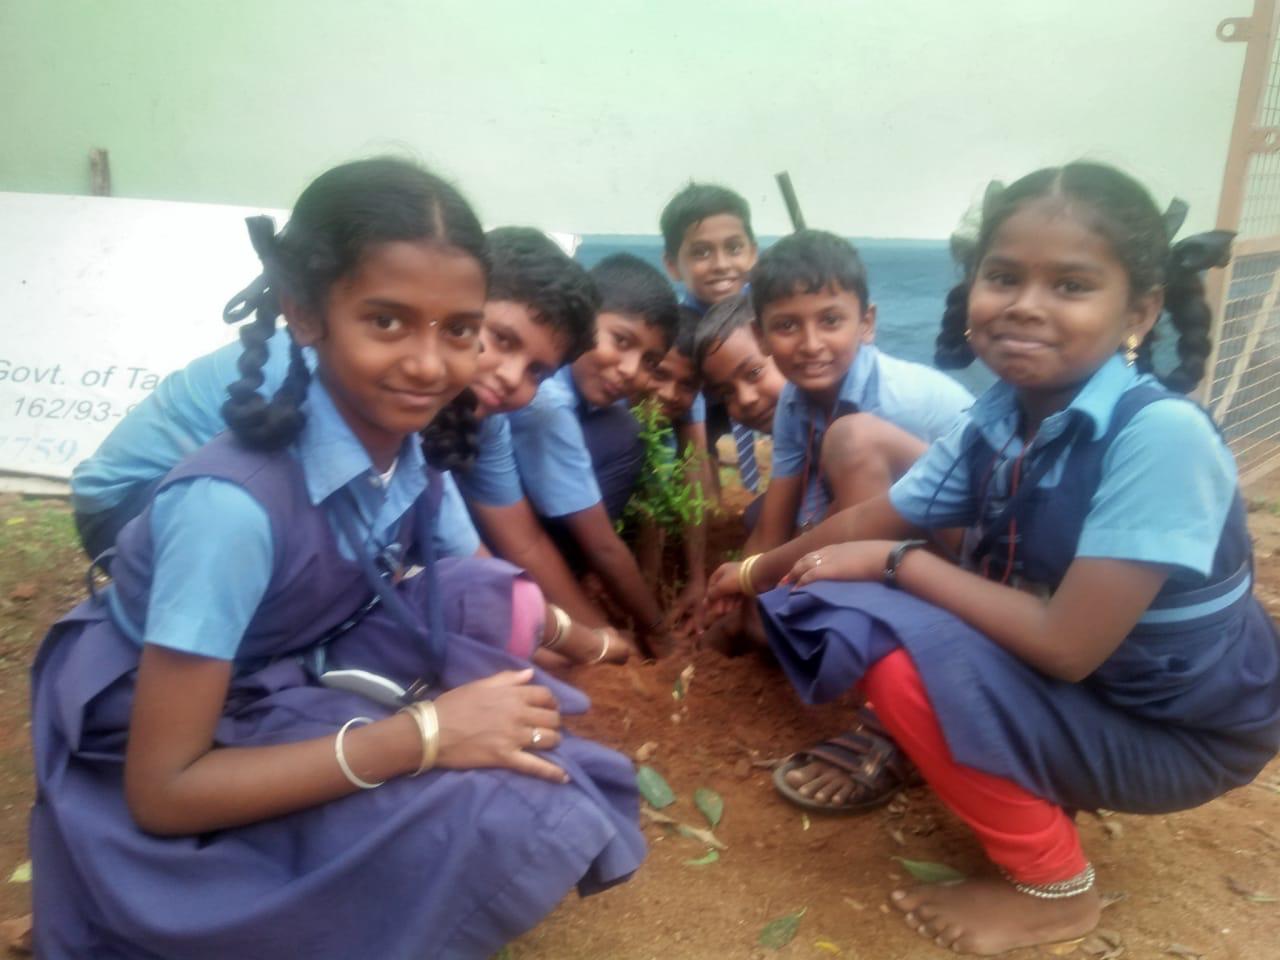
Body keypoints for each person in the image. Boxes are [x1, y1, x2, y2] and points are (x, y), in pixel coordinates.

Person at [30, 157, 645, 960]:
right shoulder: (230, 509)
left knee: (492, 614)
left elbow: (484, 575)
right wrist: (423, 734)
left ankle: (337, 813)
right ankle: (184, 891)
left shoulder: (405, 451)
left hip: (275, 662)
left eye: (457, 329)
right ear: (306, 315)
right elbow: (164, 791)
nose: (430, 364)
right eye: (387, 321)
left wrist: (583, 642)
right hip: (160, 741)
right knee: (490, 805)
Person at [708, 162, 1277, 955]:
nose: (1024, 306)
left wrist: (897, 564)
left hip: (1180, 731)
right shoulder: (1003, 416)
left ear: (1138, 310)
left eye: (1071, 286)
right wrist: (750, 573)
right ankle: (1023, 766)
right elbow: (879, 512)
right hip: (1114, 689)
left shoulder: (1160, 436)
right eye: (1003, 276)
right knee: (855, 595)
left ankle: (1057, 893)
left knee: (890, 643)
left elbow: (1068, 646)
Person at [435, 226, 627, 656]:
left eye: (535, 372)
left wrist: (601, 636)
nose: (509, 376)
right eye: (501, 340)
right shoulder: (395, 408)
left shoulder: (486, 421)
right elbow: (472, 565)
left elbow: (526, 543)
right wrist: (585, 643)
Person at [745, 229, 973, 555]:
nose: (811, 345)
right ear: (760, 336)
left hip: (974, 530)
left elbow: (875, 529)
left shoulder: (895, 401)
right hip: (896, 514)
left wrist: (774, 569)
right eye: (786, 326)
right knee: (760, 523)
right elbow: (775, 525)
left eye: (831, 320)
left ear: (866, 323)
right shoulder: (793, 402)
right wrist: (741, 585)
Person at [508, 253, 677, 655]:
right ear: (582, 321)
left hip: (518, 521)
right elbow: (603, 544)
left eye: (650, 361)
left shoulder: (582, 400)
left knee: (622, 430)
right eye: (620, 341)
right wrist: (653, 630)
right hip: (500, 539)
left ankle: (572, 580)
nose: (631, 370)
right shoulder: (544, 401)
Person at [660, 181, 761, 495]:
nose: (721, 265)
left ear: (753, 253)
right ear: (673, 266)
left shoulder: (769, 314)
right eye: (701, 252)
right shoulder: (676, 332)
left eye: (734, 248)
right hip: (704, 419)